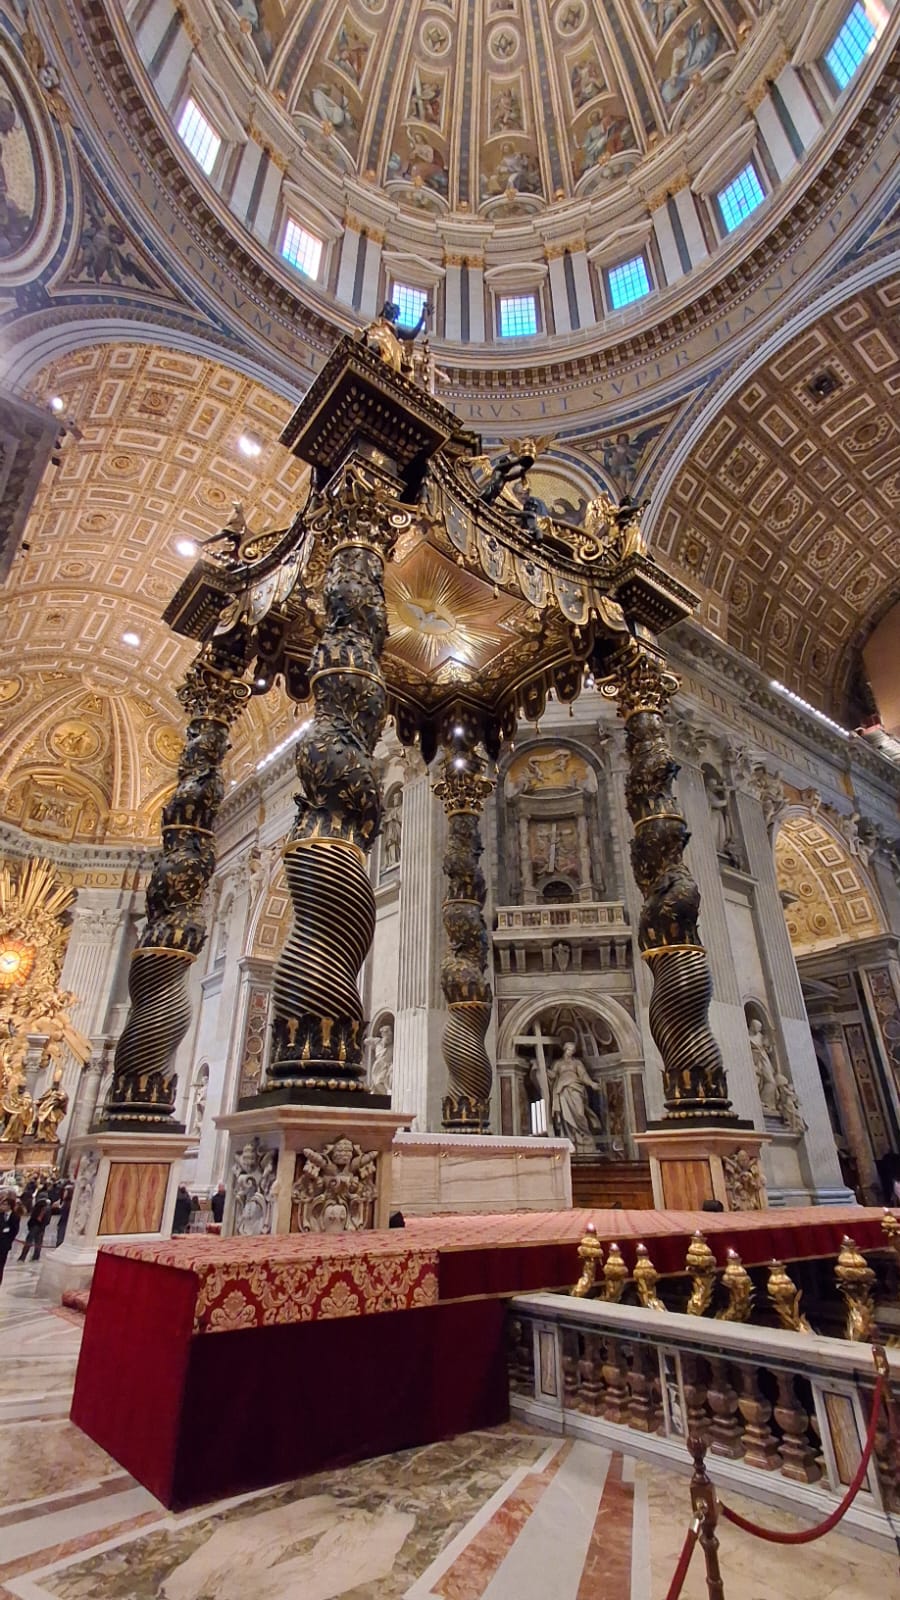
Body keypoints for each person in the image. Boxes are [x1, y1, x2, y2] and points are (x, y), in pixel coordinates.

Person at [18, 1186, 51, 1262]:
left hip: (35, 1225)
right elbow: (48, 1219)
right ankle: (36, 1257)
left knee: (29, 1241)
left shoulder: (39, 1205)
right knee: (38, 1243)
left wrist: (30, 1224)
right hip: (42, 1227)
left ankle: (22, 1257)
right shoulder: (48, 1207)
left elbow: (34, 1216)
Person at [0, 1194, 20, 1283]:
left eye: (4, 1204)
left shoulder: (15, 1216)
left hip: (5, 1244)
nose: (2, 1206)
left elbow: (14, 1231)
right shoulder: (0, 1215)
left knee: (1, 1263)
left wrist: (8, 1241)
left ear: (9, 1206)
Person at [55, 1182, 74, 1247]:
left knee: (60, 1240)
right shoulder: (65, 1202)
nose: (64, 1194)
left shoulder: (68, 1204)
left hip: (64, 1224)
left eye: (65, 1192)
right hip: (62, 1223)